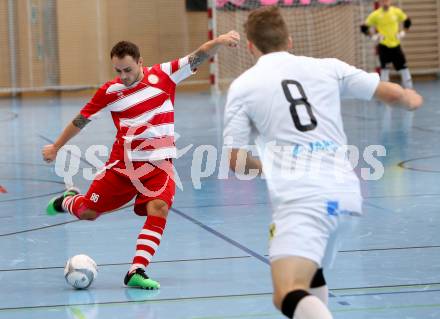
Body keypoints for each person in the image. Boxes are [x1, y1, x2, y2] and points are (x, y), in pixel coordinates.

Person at [223, 6, 422, 319]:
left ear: (250, 46)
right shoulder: (328, 67)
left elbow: (235, 161)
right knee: (311, 274)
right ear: (289, 40)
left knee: (286, 292)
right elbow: (392, 93)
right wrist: (411, 98)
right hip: (347, 196)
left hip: (303, 199)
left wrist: (268, 166)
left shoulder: (244, 86)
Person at [42, 31, 240, 290]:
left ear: (140, 62)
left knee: (159, 208)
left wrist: (218, 41)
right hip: (123, 166)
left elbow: (198, 56)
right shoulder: (110, 92)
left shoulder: (165, 74)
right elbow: (81, 120)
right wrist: (57, 146)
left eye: (127, 70)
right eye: (118, 71)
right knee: (88, 212)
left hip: (159, 165)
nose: (123, 77)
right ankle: (67, 199)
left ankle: (136, 270)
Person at [361, 0, 413, 88]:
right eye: (383, 1)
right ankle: (385, 92)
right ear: (380, 2)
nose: (385, 2)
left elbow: (408, 21)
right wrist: (373, 36)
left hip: (396, 45)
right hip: (383, 46)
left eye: (387, 0)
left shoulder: (396, 12)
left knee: (404, 69)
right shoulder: (375, 14)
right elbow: (363, 27)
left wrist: (403, 32)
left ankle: (410, 90)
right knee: (384, 71)